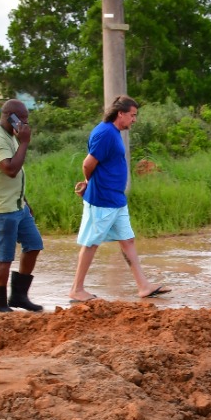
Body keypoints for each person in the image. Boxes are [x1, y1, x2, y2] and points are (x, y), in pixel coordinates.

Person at [68, 95, 170, 303]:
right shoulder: (105, 133)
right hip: (102, 198)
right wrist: (89, 183)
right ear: (120, 113)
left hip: (116, 199)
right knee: (91, 244)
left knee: (128, 240)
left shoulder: (113, 133)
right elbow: (88, 164)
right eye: (132, 115)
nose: (134, 120)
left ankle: (143, 286)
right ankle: (77, 289)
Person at [0, 99, 43, 313]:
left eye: (26, 119)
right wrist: (24, 142)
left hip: (17, 205)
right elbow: (10, 169)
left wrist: (25, 201)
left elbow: (16, 174)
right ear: (10, 117)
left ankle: (18, 296)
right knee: (5, 257)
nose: (25, 124)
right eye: (22, 119)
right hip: (1, 208)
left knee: (34, 245)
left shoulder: (10, 136)